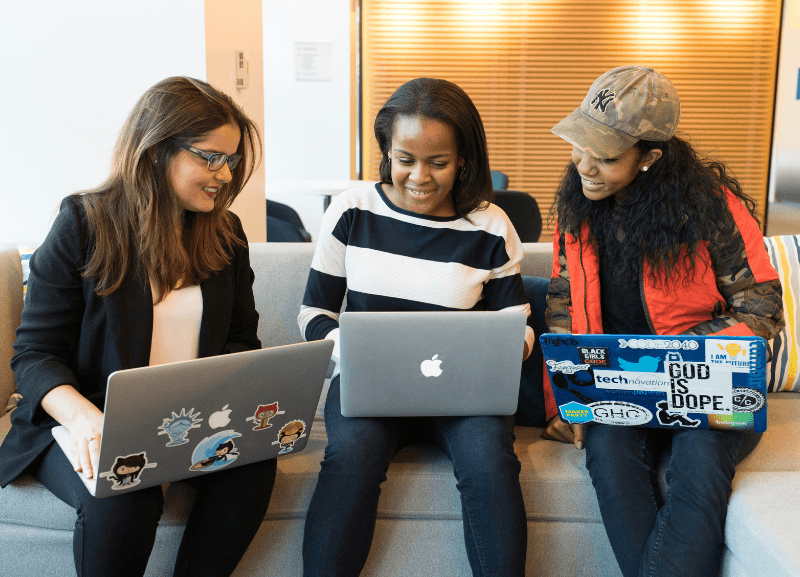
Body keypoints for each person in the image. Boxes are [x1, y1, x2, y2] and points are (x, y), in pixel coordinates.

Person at [0, 76, 276, 577]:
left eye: (232, 160)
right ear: (155, 151)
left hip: (186, 421)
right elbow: (35, 355)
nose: (224, 174)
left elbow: (240, 339)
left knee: (252, 469)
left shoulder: (226, 233)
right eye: (210, 157)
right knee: (128, 485)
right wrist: (85, 419)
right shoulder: (83, 223)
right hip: (84, 422)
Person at [544, 65, 784, 577]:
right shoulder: (576, 209)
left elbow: (762, 308)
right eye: (578, 144)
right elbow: (562, 307)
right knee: (608, 455)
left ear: (650, 157)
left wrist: (672, 358)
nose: (582, 164)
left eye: (604, 155)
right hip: (618, 389)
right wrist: (565, 401)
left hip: (712, 388)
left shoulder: (711, 210)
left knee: (696, 463)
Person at [298, 77, 536, 577]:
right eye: (405, 159)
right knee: (349, 460)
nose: (419, 177)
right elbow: (313, 314)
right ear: (387, 152)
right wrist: (349, 347)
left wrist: (509, 346)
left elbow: (517, 324)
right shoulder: (352, 210)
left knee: (491, 462)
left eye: (439, 162)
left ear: (465, 158)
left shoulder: (490, 226)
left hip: (465, 394)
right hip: (368, 388)